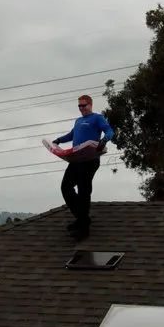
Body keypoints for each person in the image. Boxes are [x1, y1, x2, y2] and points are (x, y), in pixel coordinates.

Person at [51, 95, 114, 235]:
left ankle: (84, 227)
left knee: (83, 189)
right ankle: (81, 217)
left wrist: (104, 140)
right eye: (79, 106)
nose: (81, 108)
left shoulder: (97, 118)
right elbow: (72, 135)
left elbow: (109, 130)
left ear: (90, 105)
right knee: (66, 187)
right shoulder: (78, 120)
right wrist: (59, 140)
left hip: (90, 159)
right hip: (76, 159)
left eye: (83, 105)